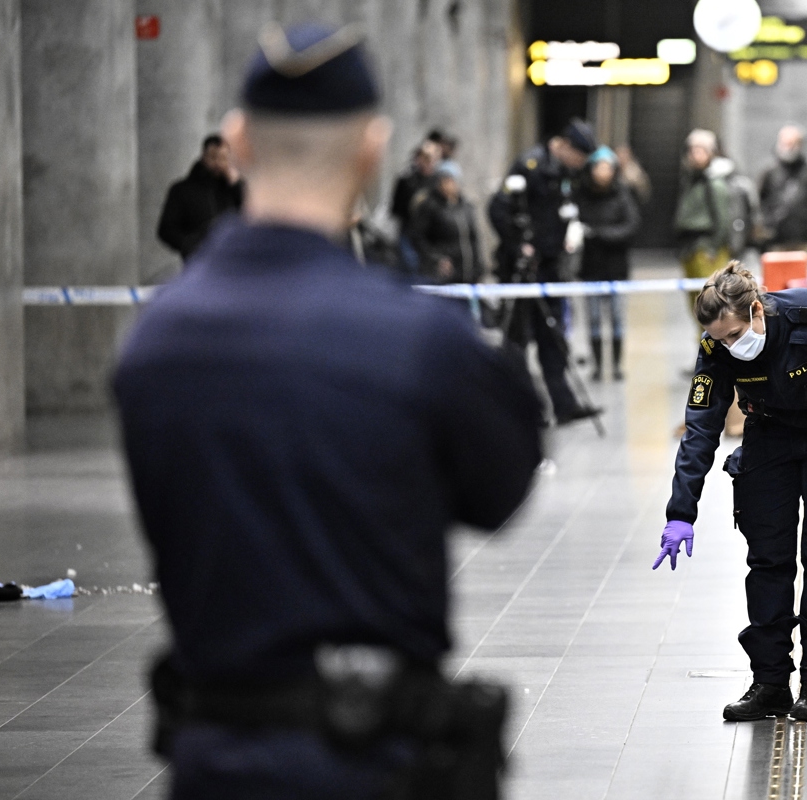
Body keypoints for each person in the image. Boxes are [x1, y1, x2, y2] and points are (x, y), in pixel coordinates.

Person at [113, 22, 542, 799]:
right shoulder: (418, 341)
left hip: (213, 761)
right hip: (378, 762)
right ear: (371, 151)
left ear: (237, 141)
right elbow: (501, 492)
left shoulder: (154, 346)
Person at [655, 262, 807, 723]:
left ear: (756, 310)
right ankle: (769, 682)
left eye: (734, 335)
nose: (730, 346)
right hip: (768, 440)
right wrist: (681, 510)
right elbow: (701, 427)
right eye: (720, 340)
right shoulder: (714, 344)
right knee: (767, 562)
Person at [489, 119, 602, 425]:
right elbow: (497, 209)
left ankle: (563, 405)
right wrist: (518, 246)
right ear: (563, 144)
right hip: (520, 270)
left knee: (552, 338)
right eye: (578, 156)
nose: (580, 164)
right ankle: (526, 409)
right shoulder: (529, 165)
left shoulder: (566, 174)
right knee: (517, 340)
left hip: (550, 268)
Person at [577, 146, 641, 381]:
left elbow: (631, 226)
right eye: (598, 167)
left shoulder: (622, 194)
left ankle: (615, 365)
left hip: (616, 266)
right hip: (590, 266)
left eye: (607, 168)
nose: (602, 172)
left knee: (616, 317)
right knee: (593, 318)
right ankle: (597, 365)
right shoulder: (582, 195)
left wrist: (600, 234)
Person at [156, 133, 245, 261]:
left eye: (224, 158)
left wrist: (236, 184)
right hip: (198, 263)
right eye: (213, 157)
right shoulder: (182, 190)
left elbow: (254, 215)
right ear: (204, 157)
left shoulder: (236, 189)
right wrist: (189, 245)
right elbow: (166, 230)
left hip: (234, 263)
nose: (218, 163)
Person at [674, 129, 732, 309]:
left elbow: (723, 219)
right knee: (695, 302)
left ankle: (711, 338)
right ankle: (703, 338)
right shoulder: (691, 180)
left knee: (710, 302)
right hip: (689, 246)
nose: (696, 155)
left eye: (701, 150)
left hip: (706, 248)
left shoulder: (714, 182)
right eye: (693, 150)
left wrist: (713, 248)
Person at [410, 160, 483, 284]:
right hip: (444, 274)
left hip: (467, 274)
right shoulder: (430, 206)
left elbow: (473, 239)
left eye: (452, 180)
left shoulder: (466, 207)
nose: (450, 184)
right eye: (446, 180)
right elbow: (417, 238)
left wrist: (478, 267)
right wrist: (437, 260)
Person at [757, 125, 807, 251]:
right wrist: (769, 222)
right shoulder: (769, 172)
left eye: (793, 143)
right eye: (785, 143)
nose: (789, 147)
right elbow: (760, 200)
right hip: (776, 239)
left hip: (804, 238)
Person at [389, 140, 441, 274]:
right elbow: (396, 209)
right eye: (425, 157)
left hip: (432, 235)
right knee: (410, 268)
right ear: (418, 158)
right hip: (409, 233)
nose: (429, 161)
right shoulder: (407, 180)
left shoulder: (439, 181)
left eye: (432, 157)